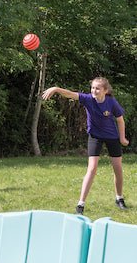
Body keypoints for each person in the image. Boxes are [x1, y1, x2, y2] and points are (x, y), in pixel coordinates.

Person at [42, 77, 129, 215]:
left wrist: (122, 137)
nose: (94, 90)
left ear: (105, 91)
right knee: (92, 168)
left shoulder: (111, 102)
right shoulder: (88, 99)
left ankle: (119, 198)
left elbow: (120, 120)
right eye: (93, 87)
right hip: (95, 136)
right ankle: (80, 204)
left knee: (118, 169)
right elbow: (71, 94)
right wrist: (56, 89)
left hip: (112, 137)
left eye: (97, 88)